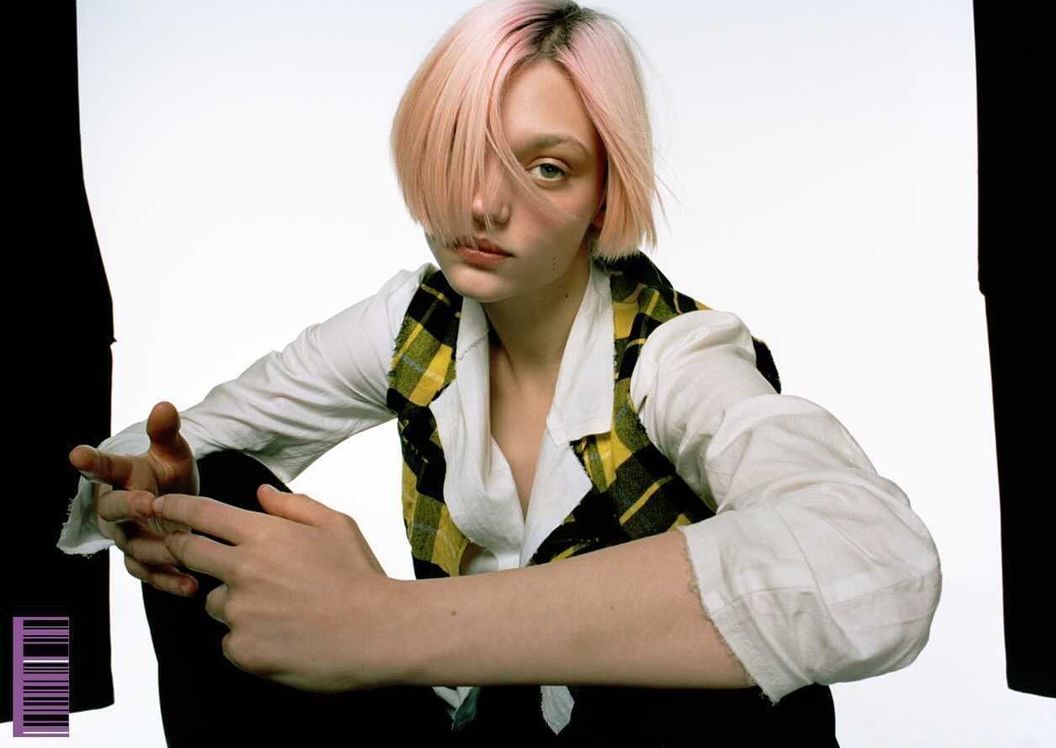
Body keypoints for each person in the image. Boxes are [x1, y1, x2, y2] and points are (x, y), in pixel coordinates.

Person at [58, 1, 942, 744]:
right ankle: (34, 714)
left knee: (728, 685)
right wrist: (144, 495)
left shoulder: (675, 354)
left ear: (605, 193)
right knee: (219, 491)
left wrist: (380, 623)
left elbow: (879, 567)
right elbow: (169, 445)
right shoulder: (414, 322)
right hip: (470, 725)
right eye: (463, 150)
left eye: (547, 168)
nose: (484, 203)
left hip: (634, 733)